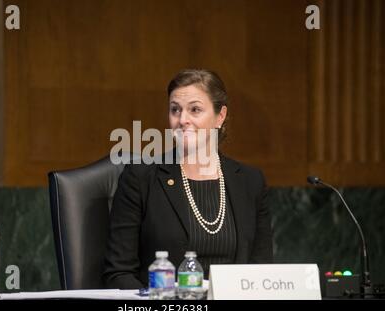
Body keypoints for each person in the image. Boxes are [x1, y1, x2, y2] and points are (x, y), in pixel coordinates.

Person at [103, 69, 273, 289]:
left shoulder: (251, 182)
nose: (182, 120)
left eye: (195, 110)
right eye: (175, 110)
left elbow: (261, 271)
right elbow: (119, 273)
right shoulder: (141, 178)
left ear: (219, 117)